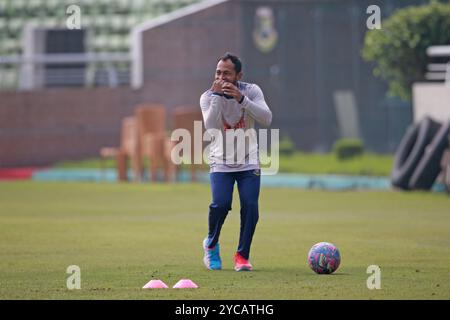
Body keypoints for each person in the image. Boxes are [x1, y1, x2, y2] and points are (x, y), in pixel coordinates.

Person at [199, 52, 272, 271]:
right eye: (218, 72)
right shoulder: (207, 96)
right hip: (220, 161)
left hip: (249, 161)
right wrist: (217, 97)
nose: (221, 77)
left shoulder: (251, 90)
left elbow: (267, 119)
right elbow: (211, 127)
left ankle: (242, 256)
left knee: (250, 206)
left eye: (227, 73)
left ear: (238, 75)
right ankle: (211, 246)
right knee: (220, 205)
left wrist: (241, 99)